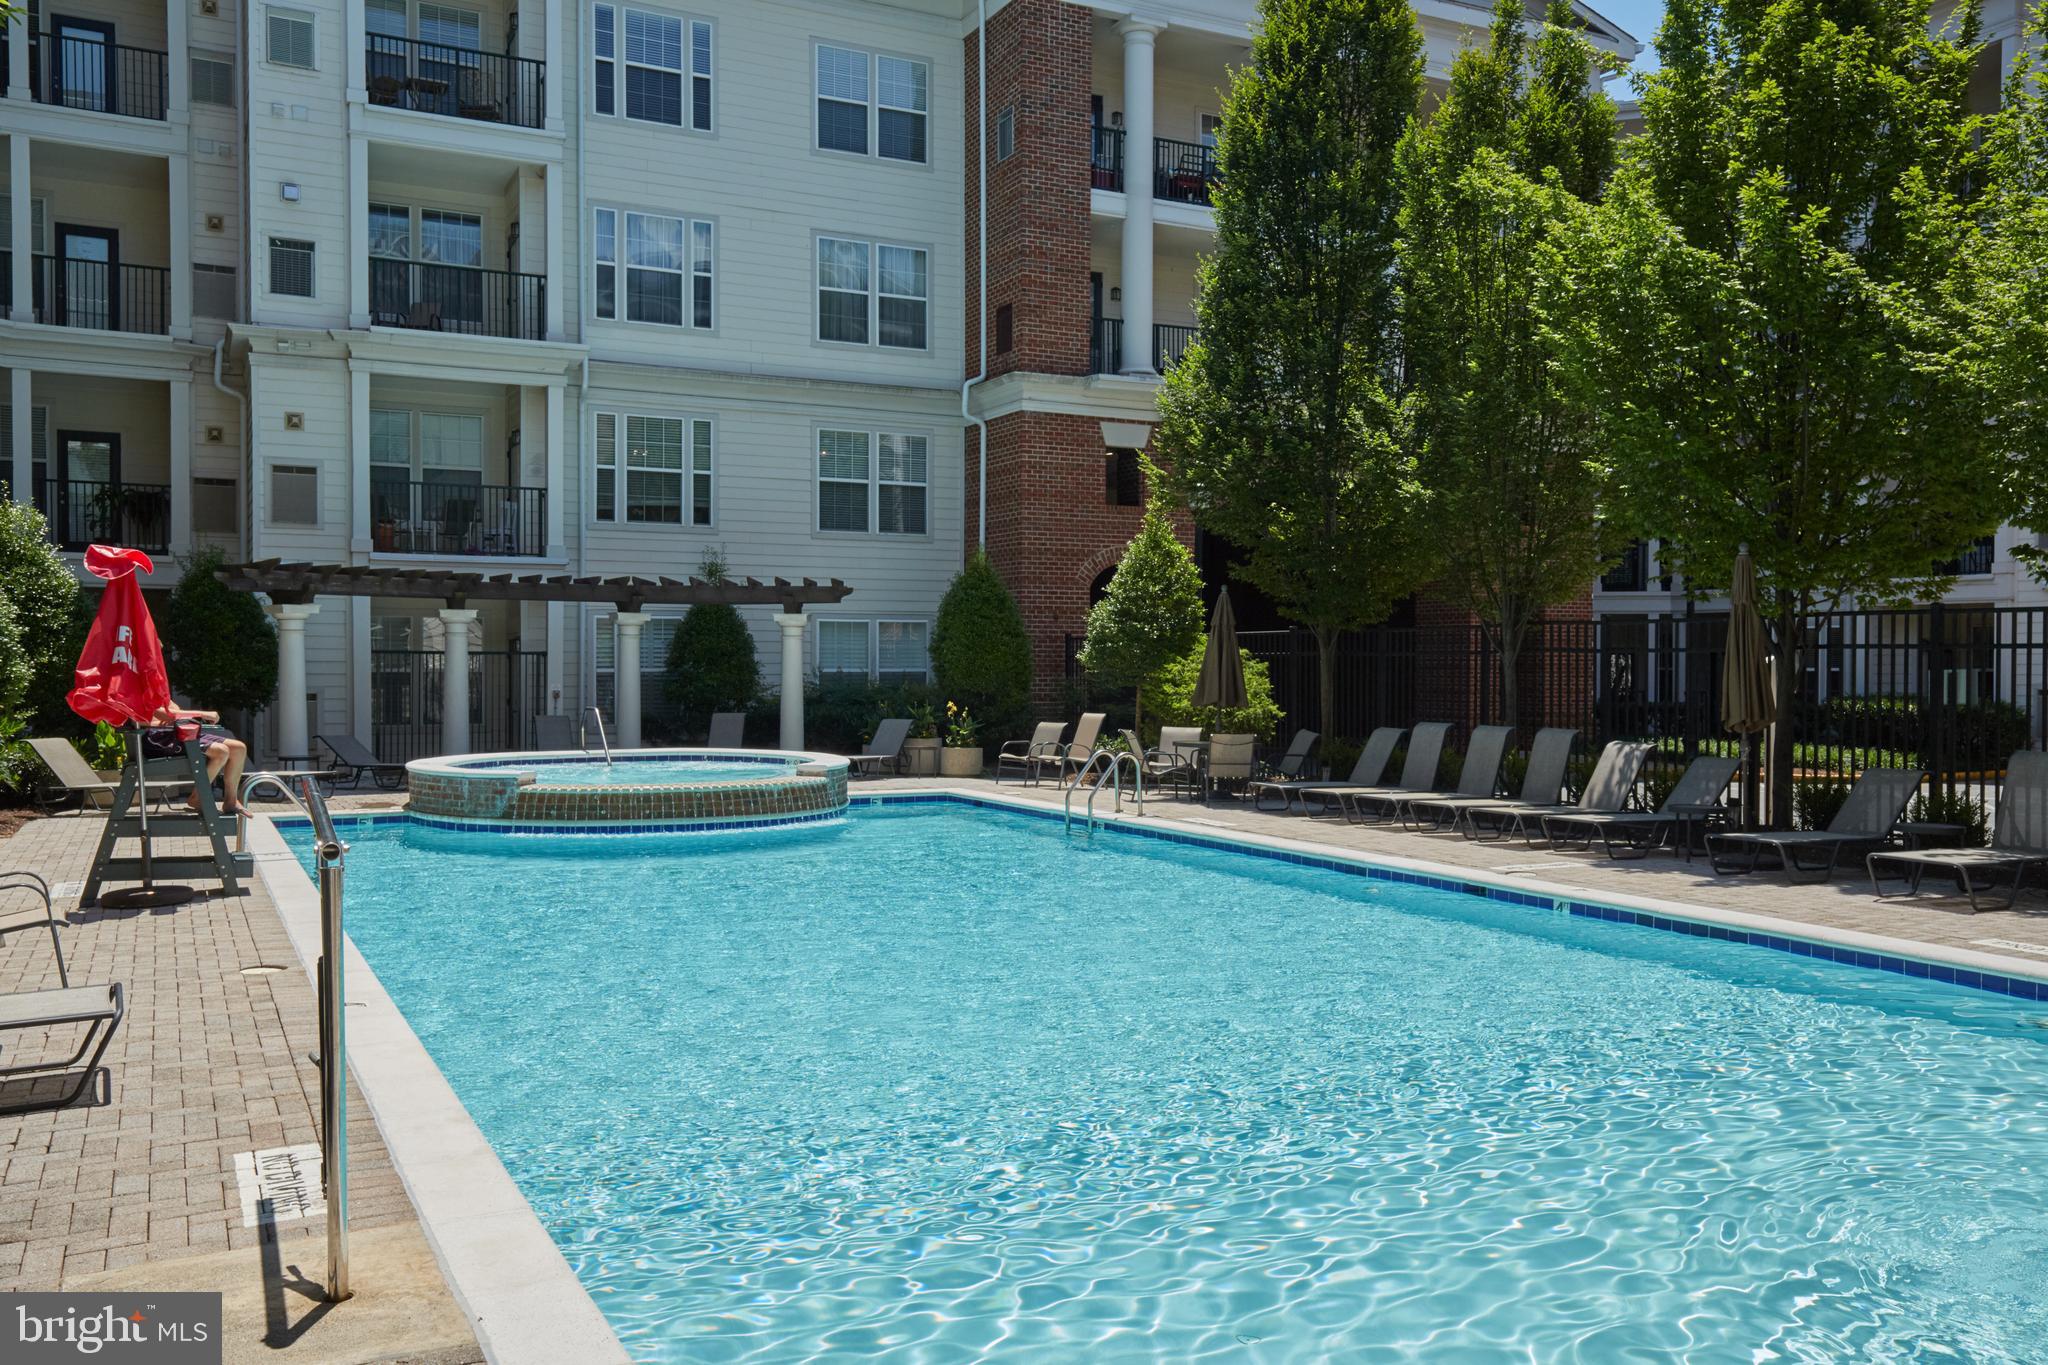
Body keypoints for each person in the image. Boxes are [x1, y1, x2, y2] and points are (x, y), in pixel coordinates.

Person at [142, 705, 248, 815]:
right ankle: (196, 798)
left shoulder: (158, 689)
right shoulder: (136, 690)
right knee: (221, 751)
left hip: (175, 733)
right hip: (158, 740)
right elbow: (162, 715)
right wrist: (202, 714)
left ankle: (230, 802)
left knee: (239, 748)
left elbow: (174, 712)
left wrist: (172, 717)